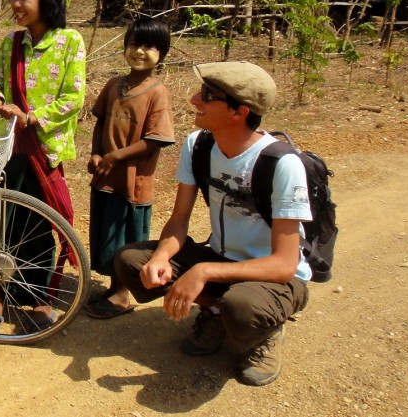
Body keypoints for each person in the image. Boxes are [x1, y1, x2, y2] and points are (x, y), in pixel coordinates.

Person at [103, 61, 311, 387]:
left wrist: (203, 272)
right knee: (131, 262)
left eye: (207, 95)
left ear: (238, 112)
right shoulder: (199, 145)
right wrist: (160, 257)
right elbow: (178, 222)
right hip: (221, 258)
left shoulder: (283, 164)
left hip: (273, 278)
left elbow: (284, 265)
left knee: (242, 306)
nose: (194, 100)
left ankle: (265, 329)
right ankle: (216, 312)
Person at [0, 0, 86, 332]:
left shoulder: (70, 42)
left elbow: (74, 97)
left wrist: (32, 117)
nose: (16, 3)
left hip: (43, 150)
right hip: (6, 149)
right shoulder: (10, 42)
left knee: (39, 225)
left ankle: (40, 300)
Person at [82, 17, 175, 319]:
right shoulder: (113, 85)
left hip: (133, 181)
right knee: (106, 231)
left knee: (126, 236)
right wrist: (97, 154)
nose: (140, 52)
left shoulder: (157, 92)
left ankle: (123, 294)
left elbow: (154, 140)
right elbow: (99, 123)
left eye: (149, 47)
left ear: (161, 53)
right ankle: (113, 287)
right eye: (134, 44)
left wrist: (116, 156)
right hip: (106, 176)